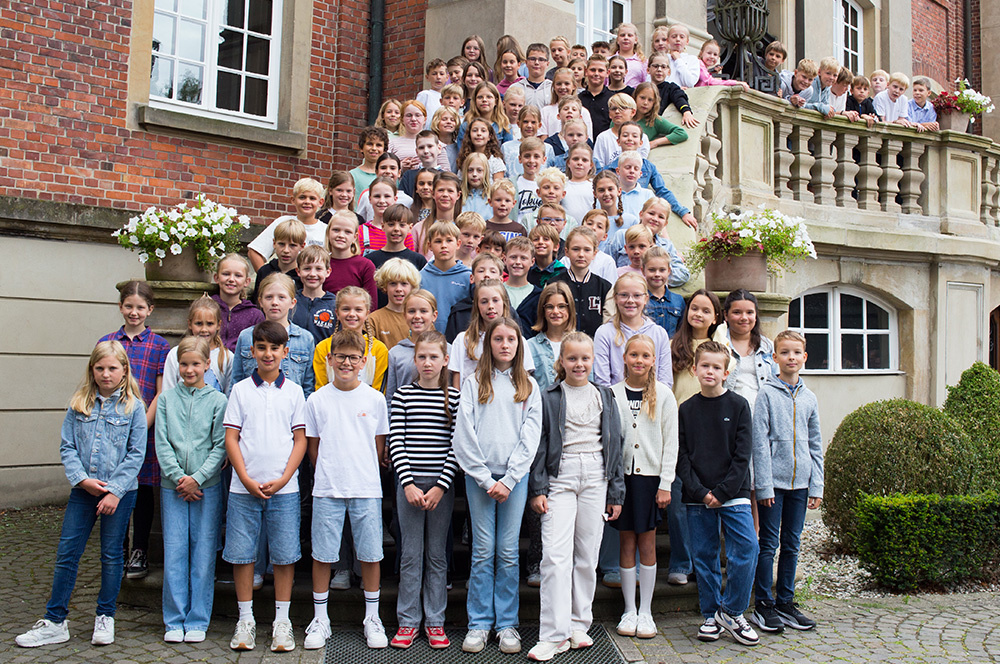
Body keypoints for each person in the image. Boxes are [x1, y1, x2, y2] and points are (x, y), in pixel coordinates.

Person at [15, 341, 145, 649]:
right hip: (83, 491)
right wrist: (82, 480)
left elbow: (136, 454)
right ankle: (55, 620)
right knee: (67, 554)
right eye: (100, 368)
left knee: (112, 555)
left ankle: (105, 615)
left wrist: (114, 491)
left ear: (124, 370)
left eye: (113, 368)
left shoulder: (133, 407)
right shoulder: (80, 403)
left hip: (120, 494)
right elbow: (68, 447)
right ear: (92, 370)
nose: (106, 374)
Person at [527, 332, 625, 660]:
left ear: (593, 360)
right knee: (555, 555)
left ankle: (578, 625)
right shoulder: (550, 396)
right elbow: (539, 444)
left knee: (587, 555)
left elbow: (615, 444)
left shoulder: (605, 395)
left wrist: (615, 490)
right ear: (562, 362)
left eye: (585, 358)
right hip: (561, 477)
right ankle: (553, 635)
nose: (579, 364)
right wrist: (538, 488)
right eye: (572, 358)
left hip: (596, 478)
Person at [454, 317, 542, 654]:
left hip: (513, 481)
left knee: (506, 552)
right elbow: (464, 435)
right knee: (482, 551)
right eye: (498, 339)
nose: (505, 345)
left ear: (519, 346)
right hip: (480, 479)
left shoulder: (528, 387)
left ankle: (507, 624)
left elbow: (530, 437)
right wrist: (483, 477)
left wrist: (509, 478)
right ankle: (479, 623)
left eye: (511, 340)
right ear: (488, 344)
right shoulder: (474, 382)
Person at [303, 329, 391, 650]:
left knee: (370, 553)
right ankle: (321, 618)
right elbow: (313, 447)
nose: (347, 362)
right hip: (328, 487)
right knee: (323, 554)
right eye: (340, 356)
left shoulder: (375, 398)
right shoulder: (317, 399)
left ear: (363, 361)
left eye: (354, 357)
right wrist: (326, 472)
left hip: (366, 486)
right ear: (330, 359)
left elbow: (378, 443)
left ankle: (372, 617)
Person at [224, 321, 308, 652]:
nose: (268, 354)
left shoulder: (295, 392)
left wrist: (286, 477)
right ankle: (245, 620)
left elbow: (300, 440)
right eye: (262, 348)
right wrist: (244, 476)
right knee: (242, 554)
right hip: (243, 488)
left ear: (285, 352)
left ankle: (282, 622)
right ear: (252, 351)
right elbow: (232, 437)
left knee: (285, 555)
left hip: (283, 489)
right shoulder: (241, 390)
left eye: (275, 348)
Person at [676, 340, 759, 647]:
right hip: (697, 496)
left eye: (716, 367)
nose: (710, 371)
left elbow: (742, 454)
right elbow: (681, 456)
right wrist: (700, 491)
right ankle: (711, 614)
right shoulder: (686, 409)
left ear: (726, 372)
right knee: (704, 556)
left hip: (733, 493)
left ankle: (733, 611)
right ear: (695, 369)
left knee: (747, 549)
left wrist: (722, 492)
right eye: (705, 366)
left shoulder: (738, 405)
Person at [388, 330, 460, 649]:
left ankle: (435, 621)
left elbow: (457, 445)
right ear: (414, 360)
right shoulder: (403, 395)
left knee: (436, 555)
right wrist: (409, 484)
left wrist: (441, 486)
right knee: (410, 554)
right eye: (422, 357)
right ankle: (407, 620)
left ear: (445, 360)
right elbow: (397, 441)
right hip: (410, 488)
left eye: (434, 357)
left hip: (440, 489)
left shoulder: (454, 398)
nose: (427, 363)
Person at [155, 336, 228, 644]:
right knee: (174, 551)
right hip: (173, 487)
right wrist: (178, 477)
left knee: (202, 554)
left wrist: (197, 477)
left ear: (207, 365)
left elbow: (220, 445)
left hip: (206, 488)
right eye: (184, 364)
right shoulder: (166, 400)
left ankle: (198, 618)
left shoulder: (218, 401)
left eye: (195, 364)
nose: (189, 369)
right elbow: (162, 442)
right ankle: (174, 619)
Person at [750, 331, 824, 634]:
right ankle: (763, 604)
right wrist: (764, 486)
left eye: (796, 352)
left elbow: (816, 444)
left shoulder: (809, 398)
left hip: (801, 484)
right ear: (774, 358)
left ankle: (786, 602)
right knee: (768, 543)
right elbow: (759, 443)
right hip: (774, 487)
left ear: (804, 357)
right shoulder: (766, 394)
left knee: (792, 545)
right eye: (785, 352)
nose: (791, 357)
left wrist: (817, 485)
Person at [100, 280, 169, 581]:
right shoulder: (108, 342)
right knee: (113, 486)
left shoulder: (159, 345)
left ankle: (139, 548)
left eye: (140, 307)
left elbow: (159, 392)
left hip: (144, 427)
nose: (134, 312)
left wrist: (142, 425)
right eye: (129, 306)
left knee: (141, 490)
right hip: (111, 427)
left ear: (150, 310)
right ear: (120, 307)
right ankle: (118, 549)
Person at [610, 334, 678, 640]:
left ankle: (647, 610)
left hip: (650, 480)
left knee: (647, 543)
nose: (639, 361)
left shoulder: (664, 395)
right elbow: (609, 443)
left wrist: (665, 484)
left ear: (654, 360)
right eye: (633, 355)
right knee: (626, 543)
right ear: (624, 358)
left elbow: (671, 443)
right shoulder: (611, 395)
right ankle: (629, 608)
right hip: (623, 480)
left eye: (645, 356)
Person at [232, 273, 316, 398]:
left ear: (292, 302)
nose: (275, 302)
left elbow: (308, 385)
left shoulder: (305, 338)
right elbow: (236, 379)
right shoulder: (246, 336)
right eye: (269, 297)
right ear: (260, 301)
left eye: (281, 297)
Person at [450, 278, 535, 387]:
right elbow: (457, 384)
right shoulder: (463, 340)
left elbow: (525, 379)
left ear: (504, 303)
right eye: (484, 302)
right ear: (477, 306)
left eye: (495, 300)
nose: (490, 306)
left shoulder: (518, 340)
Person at [594, 273, 672, 387]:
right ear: (615, 298)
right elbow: (602, 381)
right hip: (616, 402)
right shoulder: (604, 333)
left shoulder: (659, 334)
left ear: (645, 298)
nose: (630, 300)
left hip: (652, 401)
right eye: (624, 295)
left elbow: (666, 380)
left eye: (637, 295)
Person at [313, 286, 388, 391]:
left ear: (367, 314)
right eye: (346, 309)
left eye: (358, 309)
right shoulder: (323, 347)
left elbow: (378, 389)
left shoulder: (379, 349)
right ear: (337, 313)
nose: (352, 314)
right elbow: (320, 387)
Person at [248, 178, 328, 270]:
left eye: (312, 198)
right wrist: (267, 280)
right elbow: (255, 252)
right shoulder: (283, 222)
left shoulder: (325, 230)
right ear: (293, 200)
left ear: (320, 202)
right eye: (302, 197)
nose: (307, 201)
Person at [607, 197, 691, 285]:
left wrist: (653, 277)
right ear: (641, 214)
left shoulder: (666, 245)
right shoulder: (622, 236)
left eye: (661, 217)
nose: (655, 219)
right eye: (651, 213)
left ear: (665, 223)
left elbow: (683, 274)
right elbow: (607, 265)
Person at [162, 296, 233, 393]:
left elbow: (228, 395)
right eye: (199, 324)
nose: (204, 329)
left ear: (218, 325)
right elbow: (167, 391)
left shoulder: (227, 357)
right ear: (190, 324)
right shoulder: (175, 354)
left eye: (209, 324)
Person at [385, 289, 439, 410]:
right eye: (411, 311)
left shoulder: (447, 350)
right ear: (404, 315)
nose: (417, 316)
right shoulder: (395, 353)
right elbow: (390, 396)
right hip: (406, 419)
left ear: (434, 315)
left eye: (423, 311)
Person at [553, 226, 611, 337]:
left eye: (587, 250)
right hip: (561, 343)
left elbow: (609, 323)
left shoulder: (604, 287)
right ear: (566, 252)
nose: (581, 254)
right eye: (575, 249)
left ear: (594, 253)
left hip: (595, 346)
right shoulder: (554, 284)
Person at [420, 220, 472, 333]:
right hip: (427, 340)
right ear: (429, 245)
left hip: (460, 339)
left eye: (449, 241)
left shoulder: (468, 277)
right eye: (438, 241)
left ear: (458, 244)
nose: (444, 246)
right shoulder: (420, 277)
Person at [526, 281, 576, 391]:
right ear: (542, 310)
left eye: (561, 306)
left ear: (570, 308)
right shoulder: (530, 346)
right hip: (542, 407)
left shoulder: (580, 344)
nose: (555, 311)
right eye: (549, 307)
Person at [322, 210, 378, 305]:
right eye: (336, 230)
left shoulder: (365, 266)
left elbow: (371, 305)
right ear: (328, 232)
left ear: (355, 237)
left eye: (347, 232)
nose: (341, 235)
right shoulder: (321, 263)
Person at [212, 253, 264, 351]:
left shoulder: (255, 315)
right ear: (216, 278)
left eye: (238, 275)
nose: (231, 279)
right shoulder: (207, 308)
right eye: (226, 274)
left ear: (247, 281)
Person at [368, 258, 421, 350]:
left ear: (412, 287)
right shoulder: (374, 320)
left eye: (404, 284)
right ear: (385, 286)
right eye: (393, 284)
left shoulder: (420, 317)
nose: (398, 289)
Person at [250, 217, 305, 305]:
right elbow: (257, 303)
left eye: (292, 245)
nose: (286, 250)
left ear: (302, 246)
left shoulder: (303, 276)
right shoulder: (264, 271)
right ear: (274, 243)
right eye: (281, 244)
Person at [291, 245, 337, 343]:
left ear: (328, 272)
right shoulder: (290, 302)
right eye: (307, 268)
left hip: (323, 357)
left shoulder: (335, 304)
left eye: (318, 269)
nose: (312, 274)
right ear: (298, 271)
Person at [643, 247, 685, 338]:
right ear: (643, 270)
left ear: (669, 271)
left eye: (662, 270)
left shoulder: (678, 300)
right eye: (652, 270)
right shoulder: (639, 299)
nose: (657, 274)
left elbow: (682, 331)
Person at [633, 82, 688, 149]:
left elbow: (681, 133)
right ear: (635, 97)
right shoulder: (625, 116)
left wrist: (655, 142)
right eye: (642, 98)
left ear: (654, 102)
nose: (645, 103)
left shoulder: (654, 120)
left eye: (650, 100)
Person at [350, 128, 390, 202]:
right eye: (370, 144)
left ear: (384, 150)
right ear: (362, 148)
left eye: (378, 145)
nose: (374, 148)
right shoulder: (352, 175)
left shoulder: (389, 174)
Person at [579, 55, 613, 137]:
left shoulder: (613, 99)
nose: (596, 74)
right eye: (593, 70)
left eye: (601, 70)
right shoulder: (578, 99)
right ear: (586, 72)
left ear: (607, 73)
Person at [610, 22, 646, 88]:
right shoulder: (609, 60)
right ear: (617, 40)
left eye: (629, 35)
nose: (626, 38)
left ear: (636, 40)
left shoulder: (642, 62)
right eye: (622, 35)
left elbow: (645, 84)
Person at [664, 24, 700, 88]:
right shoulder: (663, 58)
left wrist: (678, 60)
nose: (678, 39)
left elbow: (690, 82)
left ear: (687, 41)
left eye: (682, 37)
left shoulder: (692, 59)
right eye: (674, 36)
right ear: (667, 40)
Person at [417, 59, 449, 130]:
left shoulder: (449, 97)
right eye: (434, 74)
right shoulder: (425, 95)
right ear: (427, 77)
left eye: (441, 74)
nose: (438, 77)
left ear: (447, 77)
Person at [460, 152, 494, 219]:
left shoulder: (492, 197)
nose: (474, 174)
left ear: (486, 172)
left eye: (479, 170)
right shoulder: (459, 197)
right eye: (470, 170)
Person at [522, 43, 554, 109]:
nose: (536, 62)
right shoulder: (517, 87)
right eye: (532, 59)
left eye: (541, 60)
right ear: (526, 62)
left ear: (547, 64)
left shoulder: (553, 89)